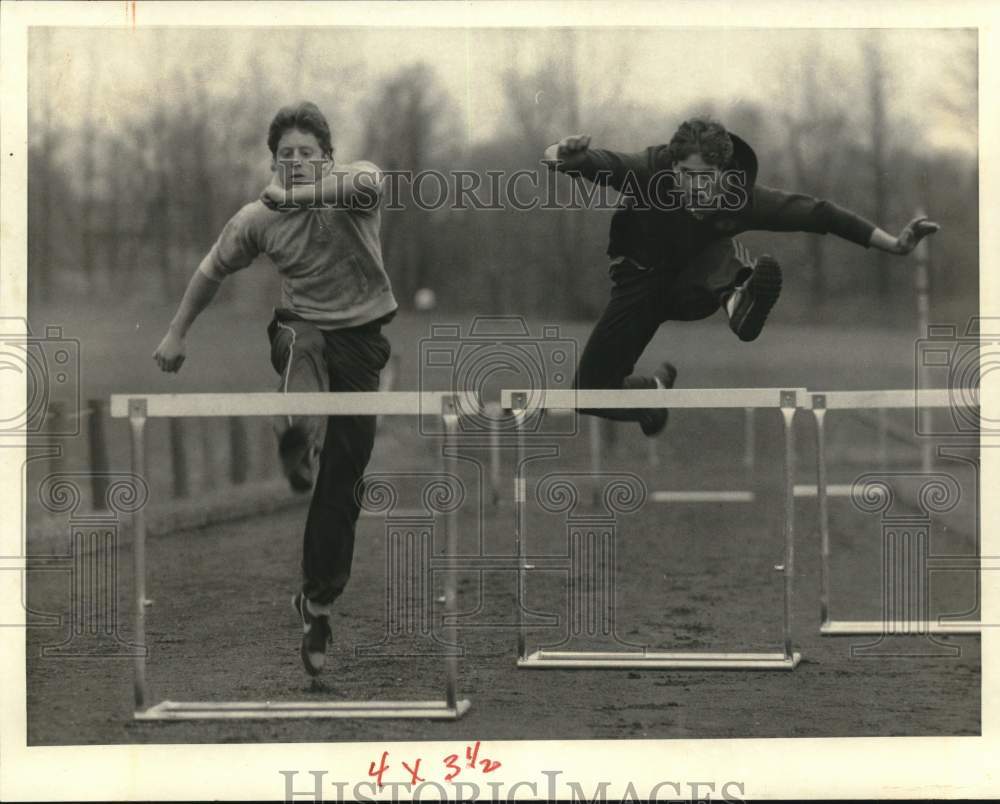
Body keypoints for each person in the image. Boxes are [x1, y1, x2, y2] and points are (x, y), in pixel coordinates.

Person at [153, 101, 397, 677]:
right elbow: (211, 270)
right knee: (302, 347)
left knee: (345, 477)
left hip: (362, 338)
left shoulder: (353, 187)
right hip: (302, 326)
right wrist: (175, 332)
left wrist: (299, 196)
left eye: (305, 154)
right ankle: (294, 435)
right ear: (272, 162)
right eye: (284, 156)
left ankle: (317, 605)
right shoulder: (255, 219)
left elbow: (372, 179)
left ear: (326, 158)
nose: (294, 163)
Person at [544, 118, 939, 435]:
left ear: (724, 172)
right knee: (588, 394)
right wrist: (563, 153)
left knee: (714, 248)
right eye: (685, 175)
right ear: (673, 167)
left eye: (705, 177)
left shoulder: (741, 198)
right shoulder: (648, 173)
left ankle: (739, 298)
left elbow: (819, 214)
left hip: (698, 287)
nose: (694, 188)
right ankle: (653, 395)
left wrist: (895, 245)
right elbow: (584, 162)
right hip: (639, 285)